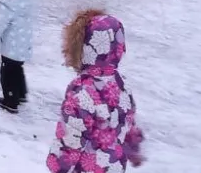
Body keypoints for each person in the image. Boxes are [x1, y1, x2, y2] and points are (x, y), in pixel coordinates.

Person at [47, 10, 145, 172]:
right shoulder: (121, 83)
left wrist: (57, 165)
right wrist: (133, 149)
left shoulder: (81, 89)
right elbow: (128, 120)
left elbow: (72, 136)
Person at [0, 0, 35, 114]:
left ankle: (11, 100)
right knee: (17, 69)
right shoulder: (25, 1)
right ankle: (21, 94)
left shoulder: (7, 6)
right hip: (23, 44)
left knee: (8, 73)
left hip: (10, 46)